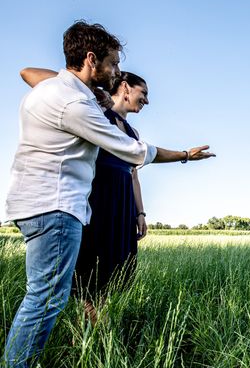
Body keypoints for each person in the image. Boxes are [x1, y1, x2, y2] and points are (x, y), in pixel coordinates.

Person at [3, 20, 214, 368]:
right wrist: (183, 155)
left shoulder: (59, 92)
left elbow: (33, 75)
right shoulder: (75, 104)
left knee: (44, 296)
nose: (116, 72)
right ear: (90, 59)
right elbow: (133, 151)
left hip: (38, 203)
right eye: (113, 63)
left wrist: (96, 95)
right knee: (46, 299)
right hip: (56, 206)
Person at [21, 68, 152, 323]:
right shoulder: (94, 110)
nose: (146, 100)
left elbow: (134, 175)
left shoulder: (132, 133)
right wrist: (95, 91)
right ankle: (89, 328)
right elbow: (29, 74)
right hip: (98, 198)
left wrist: (140, 212)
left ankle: (97, 327)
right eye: (143, 93)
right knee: (93, 267)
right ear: (125, 87)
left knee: (115, 268)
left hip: (122, 202)